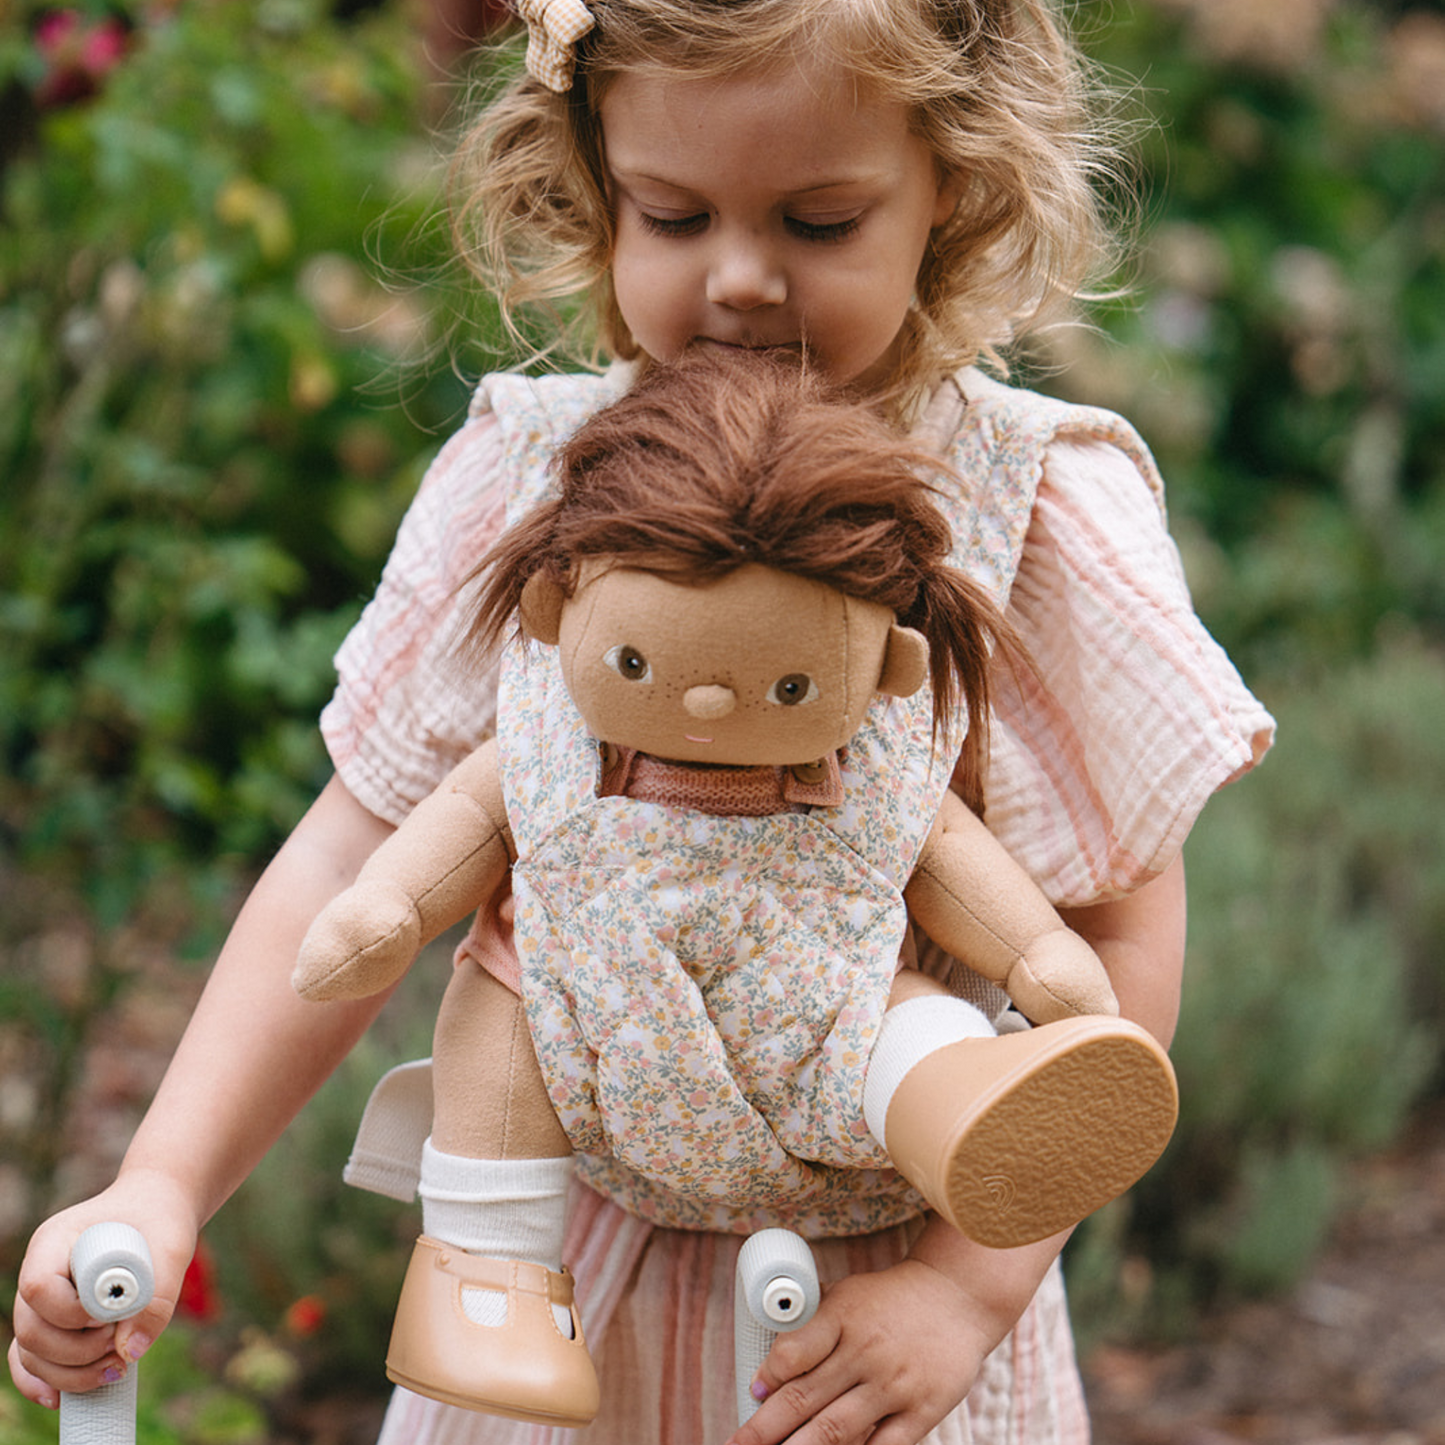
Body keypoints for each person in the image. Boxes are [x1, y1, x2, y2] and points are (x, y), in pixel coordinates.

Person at [8, 1, 1276, 1442]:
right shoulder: (530, 478)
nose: (740, 279)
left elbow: (1114, 941)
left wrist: (963, 1294)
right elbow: (349, 861)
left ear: (955, 183)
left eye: (819, 221)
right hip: (556, 1292)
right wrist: (163, 1181)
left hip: (876, 1314)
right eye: (673, 215)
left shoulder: (1025, 508)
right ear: (593, 178)